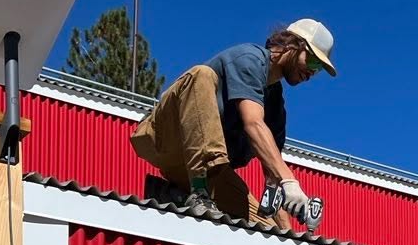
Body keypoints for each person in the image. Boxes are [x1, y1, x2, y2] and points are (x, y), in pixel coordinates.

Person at [131, 19, 337, 229]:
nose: (312, 73)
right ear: (293, 45)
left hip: (203, 170)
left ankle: (175, 194)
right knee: (202, 75)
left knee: (264, 229)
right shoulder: (249, 59)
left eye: (318, 69)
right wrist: (290, 181)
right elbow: (253, 123)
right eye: (312, 62)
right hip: (167, 137)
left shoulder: (275, 107)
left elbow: (273, 174)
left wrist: (289, 235)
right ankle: (198, 194)